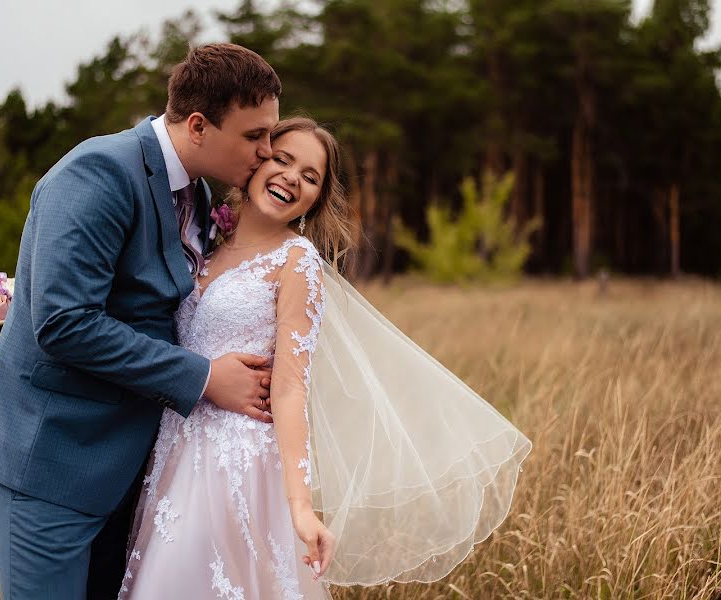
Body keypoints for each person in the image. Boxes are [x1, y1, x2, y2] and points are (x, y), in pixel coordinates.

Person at [118, 117, 532, 598]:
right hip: (173, 447)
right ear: (256, 159)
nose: (292, 177)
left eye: (311, 177)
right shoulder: (205, 240)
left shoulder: (297, 263)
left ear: (315, 198)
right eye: (283, 159)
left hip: (236, 462)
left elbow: (292, 387)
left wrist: (300, 506)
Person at [0, 43, 282, 599]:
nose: (268, 152)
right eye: (255, 135)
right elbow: (64, 322)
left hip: (128, 464)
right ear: (200, 126)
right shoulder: (98, 173)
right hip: (53, 461)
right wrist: (204, 377)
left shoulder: (197, 193)